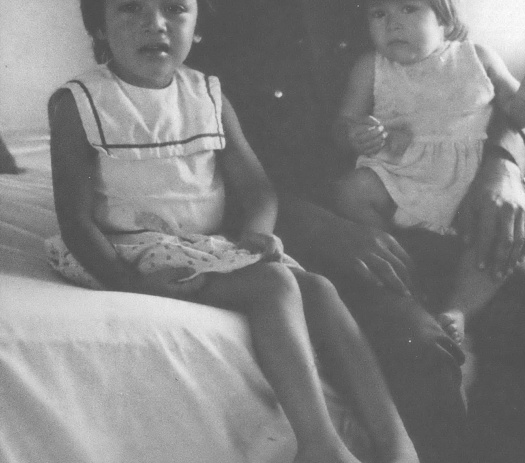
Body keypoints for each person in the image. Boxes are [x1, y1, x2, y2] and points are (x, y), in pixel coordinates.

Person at [188, 0, 525, 461]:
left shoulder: (385, 8)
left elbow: (472, 88)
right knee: (420, 349)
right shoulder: (205, 24)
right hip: (318, 232)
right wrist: (322, 229)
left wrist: (503, 168)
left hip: (435, 204)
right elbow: (202, 170)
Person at [44, 1, 419, 462]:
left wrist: (258, 235)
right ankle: (320, 444)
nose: (155, 23)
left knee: (319, 290)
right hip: (127, 249)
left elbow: (257, 188)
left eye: (175, 8)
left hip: (203, 243)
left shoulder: (207, 93)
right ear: (98, 24)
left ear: (197, 24)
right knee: (274, 284)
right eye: (131, 8)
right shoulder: (80, 101)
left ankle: (397, 445)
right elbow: (76, 222)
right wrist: (129, 283)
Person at [331, 0, 525, 344]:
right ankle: (402, 276)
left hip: (465, 182)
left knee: (495, 232)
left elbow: (516, 115)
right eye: (379, 14)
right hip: (400, 174)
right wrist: (355, 133)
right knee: (352, 190)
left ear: (445, 21)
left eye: (408, 9)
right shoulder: (370, 67)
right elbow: (344, 122)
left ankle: (460, 309)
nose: (392, 23)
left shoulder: (476, 58)